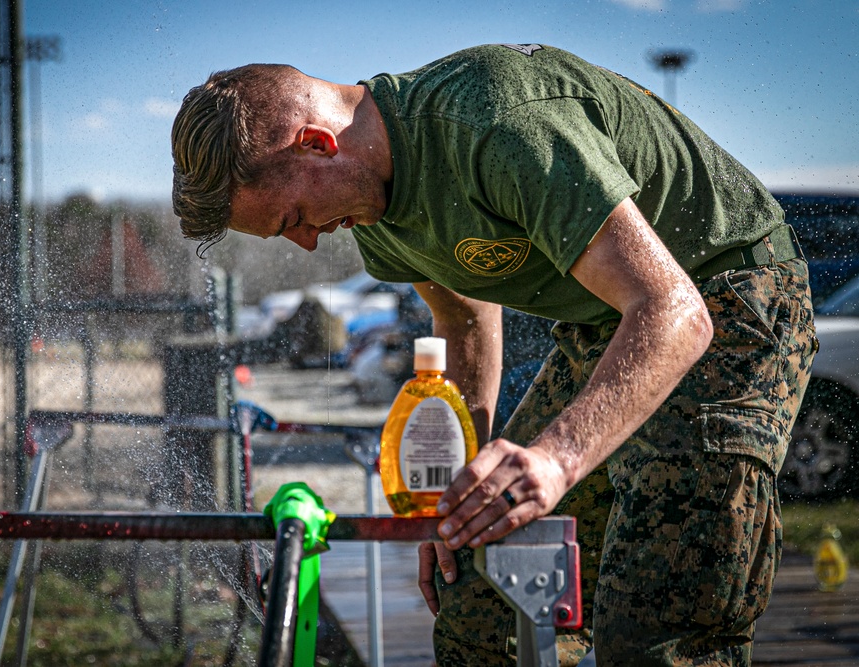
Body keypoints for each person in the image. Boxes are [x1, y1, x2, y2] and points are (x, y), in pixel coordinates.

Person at [171, 43, 816, 666]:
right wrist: (458, 495)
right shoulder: (378, 216)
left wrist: (555, 461)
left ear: (317, 143)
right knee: (480, 597)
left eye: (295, 218)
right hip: (609, 325)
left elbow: (674, 314)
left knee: (659, 630)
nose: (308, 243)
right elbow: (463, 323)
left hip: (730, 299)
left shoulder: (498, 125)